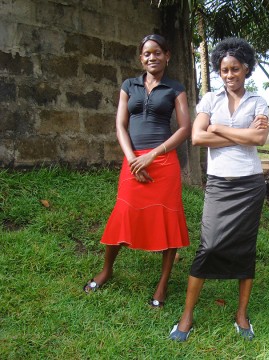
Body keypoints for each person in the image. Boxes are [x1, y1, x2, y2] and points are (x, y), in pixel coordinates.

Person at [169, 37, 269, 342]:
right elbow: (197, 138)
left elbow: (260, 140)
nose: (229, 75)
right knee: (208, 246)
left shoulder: (257, 101)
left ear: (246, 69)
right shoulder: (210, 100)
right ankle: (186, 316)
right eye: (224, 70)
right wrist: (242, 134)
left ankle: (241, 316)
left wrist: (219, 128)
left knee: (244, 249)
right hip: (220, 184)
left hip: (250, 184)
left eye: (235, 69)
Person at [83, 34, 191, 308]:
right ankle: (107, 269)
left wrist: (153, 155)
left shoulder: (175, 89)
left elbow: (184, 129)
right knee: (123, 214)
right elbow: (120, 125)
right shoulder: (129, 86)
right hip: (133, 161)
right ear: (140, 58)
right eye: (146, 54)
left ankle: (162, 285)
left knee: (168, 222)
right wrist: (133, 159)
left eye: (157, 52)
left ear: (167, 55)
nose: (151, 57)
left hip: (163, 164)